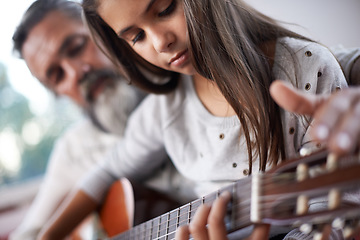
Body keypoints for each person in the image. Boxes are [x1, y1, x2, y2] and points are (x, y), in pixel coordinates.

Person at [39, 0, 360, 239]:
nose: (159, 42)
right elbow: (108, 170)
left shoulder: (305, 71)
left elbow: (330, 211)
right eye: (136, 37)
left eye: (165, 8)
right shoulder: (165, 108)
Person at [9, 0, 195, 239]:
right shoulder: (74, 150)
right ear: (58, 93)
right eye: (58, 75)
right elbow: (28, 233)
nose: (77, 72)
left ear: (107, 32)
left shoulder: (189, 76)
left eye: (76, 47)